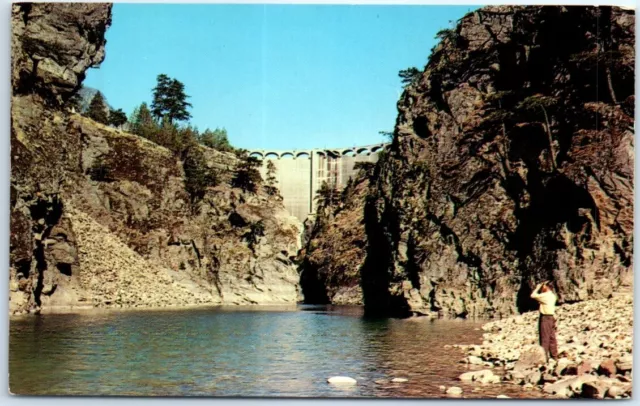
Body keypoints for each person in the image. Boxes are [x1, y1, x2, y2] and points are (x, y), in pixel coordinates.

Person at [530, 280, 558, 361]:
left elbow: (533, 295)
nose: (542, 287)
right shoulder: (552, 296)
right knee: (552, 337)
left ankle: (544, 357)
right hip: (552, 317)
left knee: (544, 337)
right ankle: (554, 355)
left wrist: (537, 288)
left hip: (545, 317)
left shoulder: (545, 295)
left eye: (544, 286)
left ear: (547, 287)